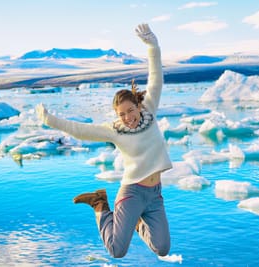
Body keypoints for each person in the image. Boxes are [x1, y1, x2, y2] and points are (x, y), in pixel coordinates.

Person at [36, 23, 171, 258]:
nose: (127, 117)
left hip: (154, 194)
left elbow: (156, 77)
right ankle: (100, 204)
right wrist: (51, 120)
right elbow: (80, 130)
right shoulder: (114, 130)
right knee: (117, 250)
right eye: (121, 114)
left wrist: (152, 45)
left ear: (138, 105)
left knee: (162, 248)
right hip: (132, 192)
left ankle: (135, 222)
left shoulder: (149, 109)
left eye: (130, 110)